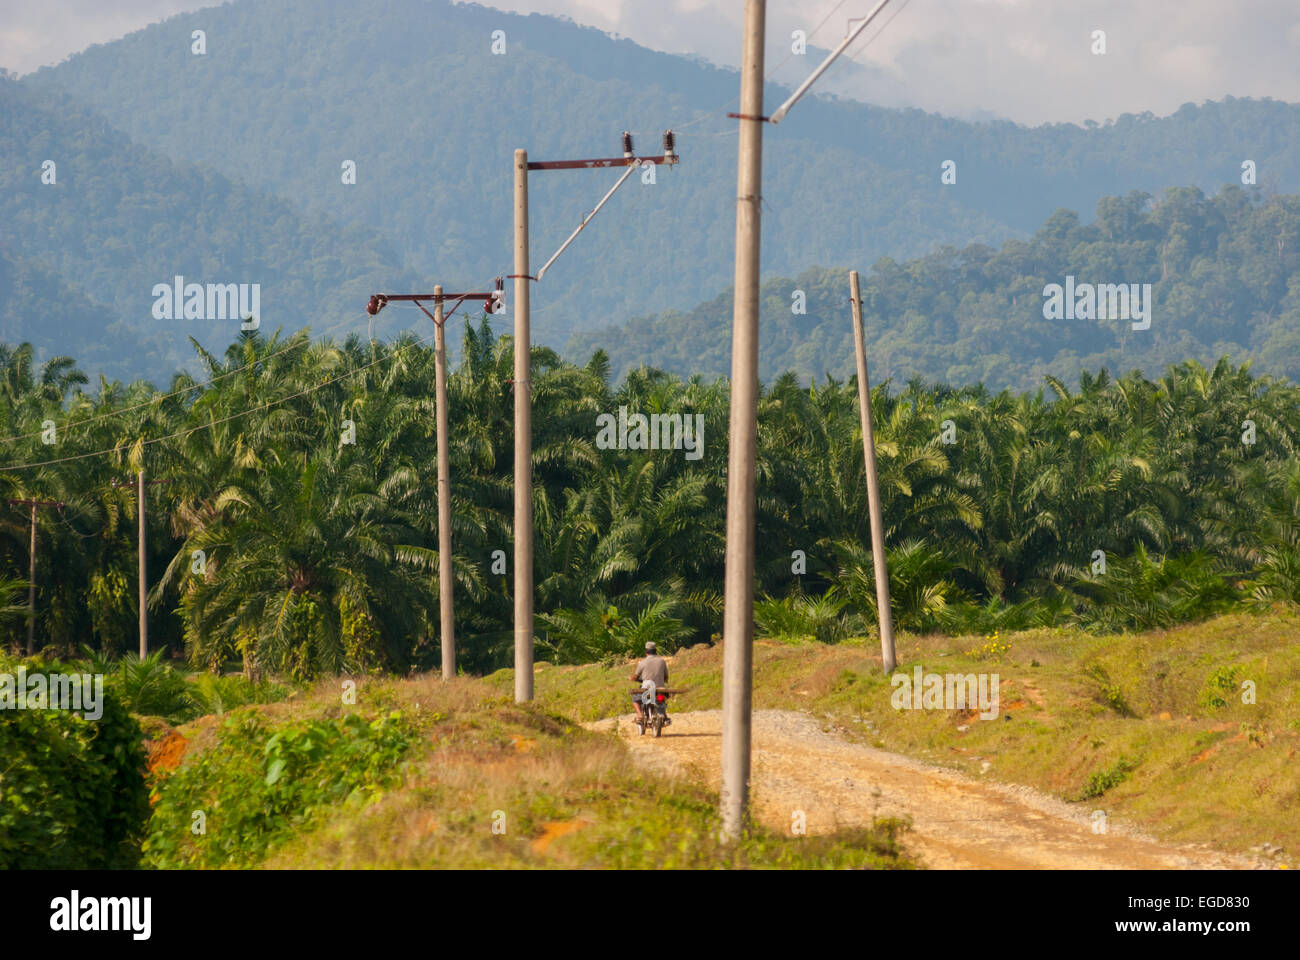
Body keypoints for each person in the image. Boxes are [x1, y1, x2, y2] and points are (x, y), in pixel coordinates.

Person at [630, 641, 670, 725]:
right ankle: (664, 714)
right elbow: (666, 677)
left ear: (646, 652)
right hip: (660, 688)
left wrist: (631, 678)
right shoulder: (662, 661)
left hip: (647, 688)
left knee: (635, 699)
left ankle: (640, 716)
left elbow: (636, 676)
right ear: (655, 651)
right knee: (662, 700)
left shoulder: (642, 662)